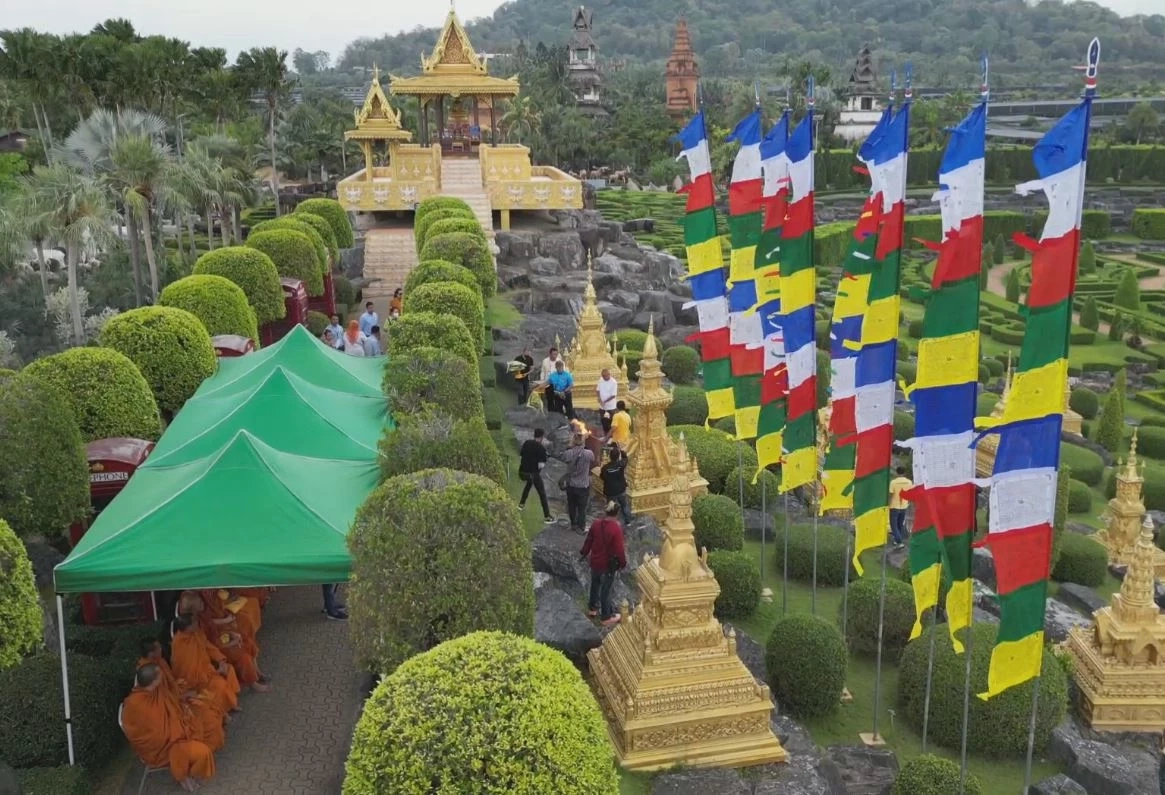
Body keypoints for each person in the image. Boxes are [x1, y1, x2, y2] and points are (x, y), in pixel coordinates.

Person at [121, 663, 217, 792]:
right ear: (154, 681)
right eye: (159, 675)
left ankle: (187, 770)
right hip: (161, 748)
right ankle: (184, 775)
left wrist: (183, 715)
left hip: (176, 733)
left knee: (208, 721)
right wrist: (182, 729)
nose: (163, 676)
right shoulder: (136, 705)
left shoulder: (152, 691)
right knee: (203, 751)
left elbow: (171, 706)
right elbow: (156, 736)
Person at [137, 639, 226, 752]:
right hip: (173, 709)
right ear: (151, 654)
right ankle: (203, 750)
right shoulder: (148, 674)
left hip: (177, 697)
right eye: (159, 648)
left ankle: (212, 739)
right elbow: (163, 700)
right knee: (205, 715)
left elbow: (171, 683)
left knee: (207, 699)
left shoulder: (159, 662)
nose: (161, 649)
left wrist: (183, 692)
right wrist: (182, 698)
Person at [180, 591, 268, 692]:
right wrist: (232, 643)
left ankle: (257, 672)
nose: (203, 603)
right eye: (200, 603)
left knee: (247, 642)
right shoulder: (198, 625)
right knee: (243, 657)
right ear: (194, 608)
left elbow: (219, 630)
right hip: (220, 646)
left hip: (223, 638)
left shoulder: (202, 616)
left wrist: (232, 634)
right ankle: (253, 683)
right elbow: (212, 646)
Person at [168, 614, 240, 715]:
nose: (198, 623)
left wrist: (220, 660)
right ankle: (223, 711)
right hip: (197, 681)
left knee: (228, 669)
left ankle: (230, 704)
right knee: (220, 686)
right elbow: (188, 672)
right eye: (194, 623)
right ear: (188, 628)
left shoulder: (196, 633)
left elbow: (208, 647)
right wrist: (215, 672)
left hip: (208, 670)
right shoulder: (179, 644)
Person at [580, 501, 627, 626]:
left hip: (595, 561)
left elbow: (589, 540)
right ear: (616, 513)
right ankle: (606, 616)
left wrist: (584, 552)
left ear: (605, 511)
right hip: (607, 565)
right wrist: (623, 563)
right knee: (606, 590)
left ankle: (592, 608)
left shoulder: (596, 524)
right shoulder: (615, 528)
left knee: (595, 585)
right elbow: (619, 549)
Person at [519, 428, 553, 524]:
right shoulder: (541, 448)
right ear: (542, 437)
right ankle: (547, 517)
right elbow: (540, 466)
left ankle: (521, 504)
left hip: (522, 472)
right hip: (532, 474)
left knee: (529, 484)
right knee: (542, 494)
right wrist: (545, 458)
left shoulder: (526, 443)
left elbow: (521, 456)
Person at [562, 433, 594, 534]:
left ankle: (573, 524)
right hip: (583, 485)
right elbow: (593, 459)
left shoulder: (568, 453)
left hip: (571, 484)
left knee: (572, 505)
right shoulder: (588, 453)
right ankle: (581, 527)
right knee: (582, 508)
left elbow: (564, 458)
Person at [601, 445, 632, 524]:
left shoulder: (605, 468)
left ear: (609, 456)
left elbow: (602, 477)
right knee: (624, 505)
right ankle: (628, 521)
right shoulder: (620, 465)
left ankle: (611, 523)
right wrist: (622, 451)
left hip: (610, 491)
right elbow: (626, 459)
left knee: (611, 507)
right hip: (621, 489)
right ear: (618, 457)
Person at [889, 465, 913, 548]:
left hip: (894, 506)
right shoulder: (909, 482)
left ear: (897, 473)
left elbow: (891, 494)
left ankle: (899, 541)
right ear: (904, 472)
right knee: (900, 524)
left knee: (893, 525)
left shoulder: (893, 482)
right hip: (904, 506)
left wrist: (888, 504)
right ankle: (897, 540)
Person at [596, 368, 619, 434]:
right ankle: (605, 434)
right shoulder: (601, 379)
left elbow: (613, 395)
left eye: (605, 376)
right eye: (603, 376)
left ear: (609, 375)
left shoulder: (613, 382)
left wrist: (604, 401)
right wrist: (599, 398)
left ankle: (612, 435)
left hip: (611, 407)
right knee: (603, 420)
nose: (604, 377)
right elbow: (597, 390)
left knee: (612, 421)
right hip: (602, 406)